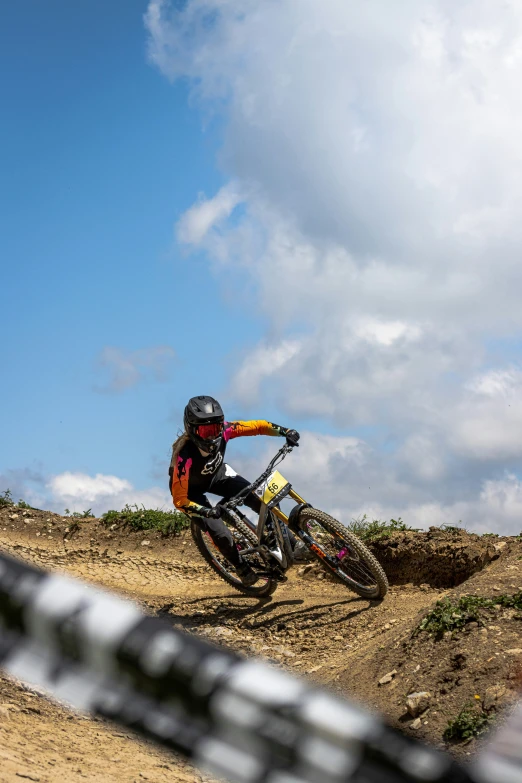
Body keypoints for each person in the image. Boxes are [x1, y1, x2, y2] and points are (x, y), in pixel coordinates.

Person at [169, 395, 303, 586]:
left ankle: (286, 541)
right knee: (220, 533)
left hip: (217, 476)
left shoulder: (226, 430)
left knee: (259, 498)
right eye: (206, 430)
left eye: (215, 428)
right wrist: (207, 511)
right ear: (192, 429)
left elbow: (259, 426)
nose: (212, 435)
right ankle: (240, 566)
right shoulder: (184, 458)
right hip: (191, 493)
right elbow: (179, 500)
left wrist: (285, 431)